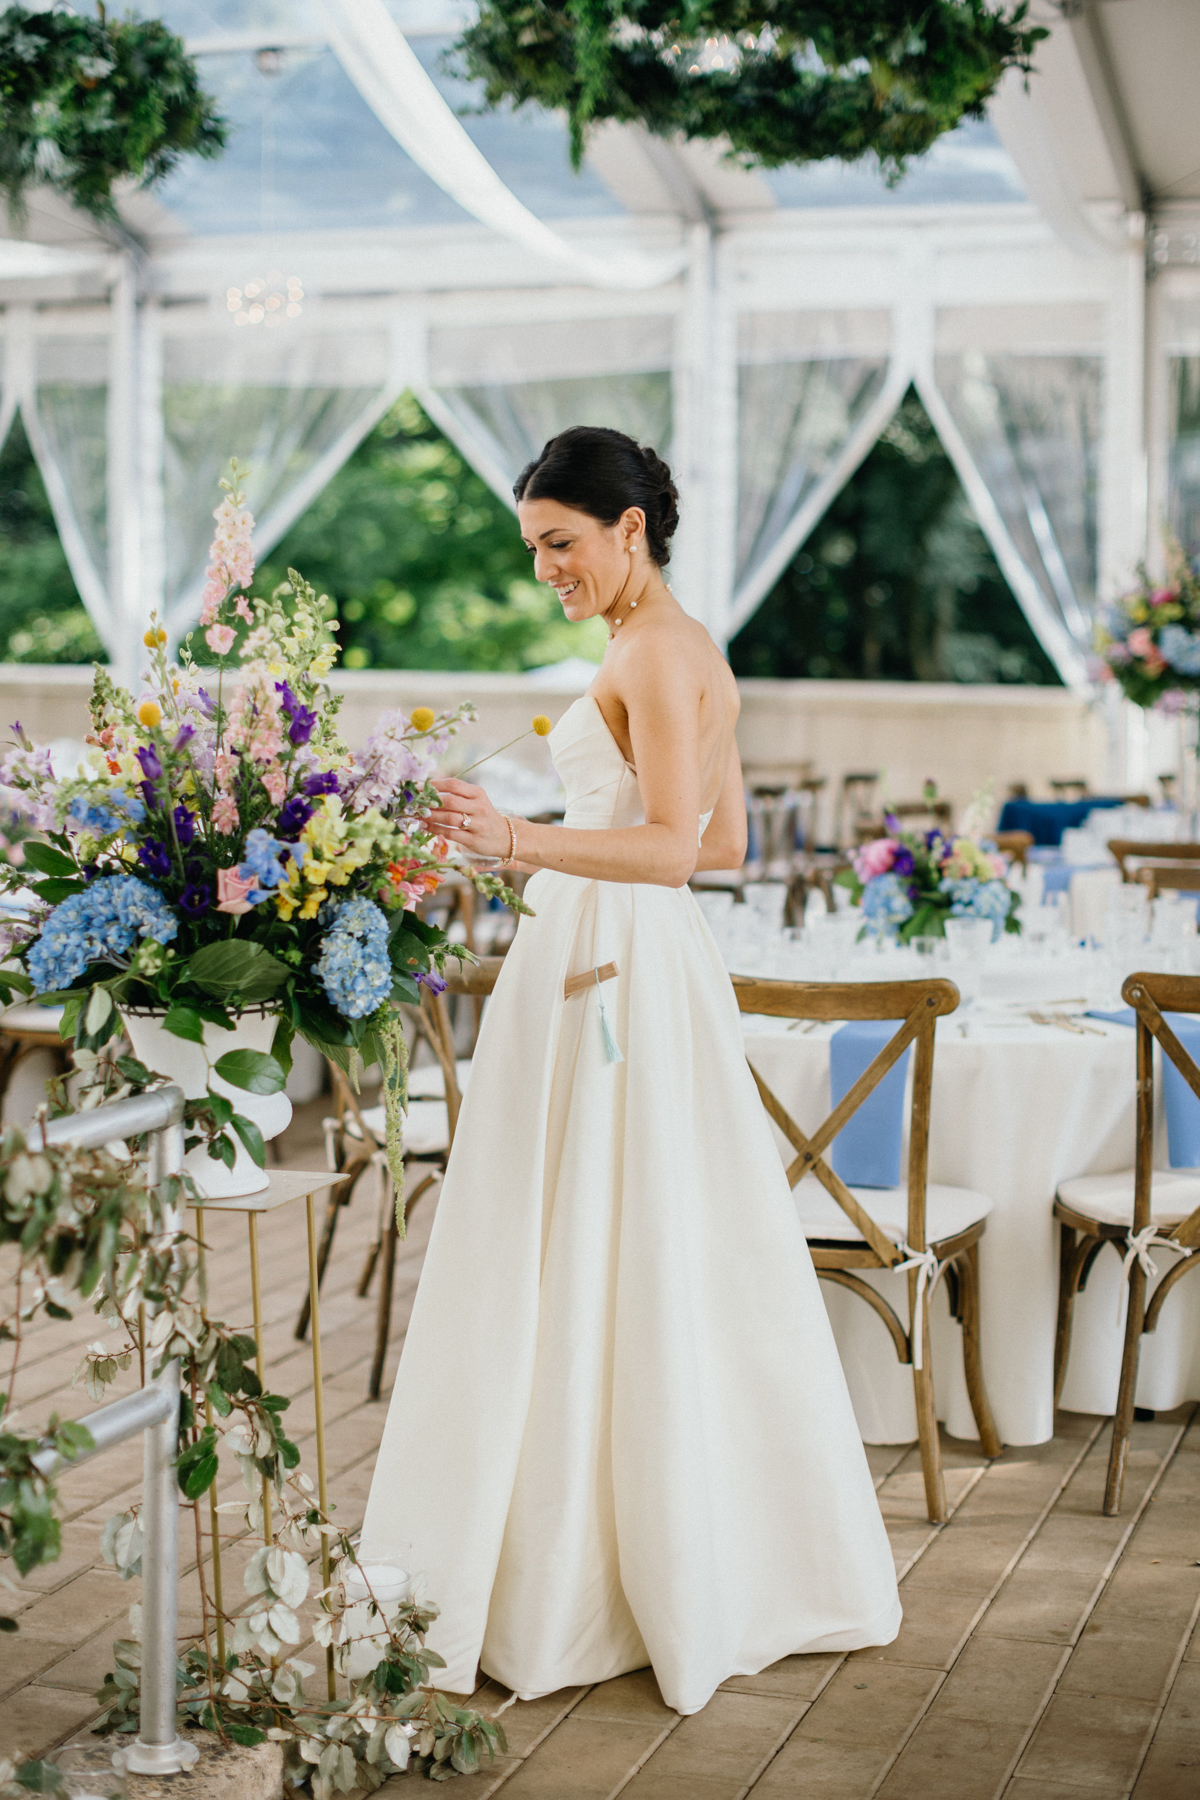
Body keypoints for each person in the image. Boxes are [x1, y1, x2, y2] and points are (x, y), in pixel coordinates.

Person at [360, 426, 900, 1716]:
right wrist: (519, 845)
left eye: (560, 542)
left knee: (592, 1239)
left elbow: (674, 851)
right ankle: (609, 1547)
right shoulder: (673, 643)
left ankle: (582, 1573)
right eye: (535, 545)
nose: (547, 567)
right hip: (621, 963)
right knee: (611, 1239)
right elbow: (729, 832)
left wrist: (521, 838)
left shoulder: (655, 652)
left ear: (628, 530)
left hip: (611, 964)